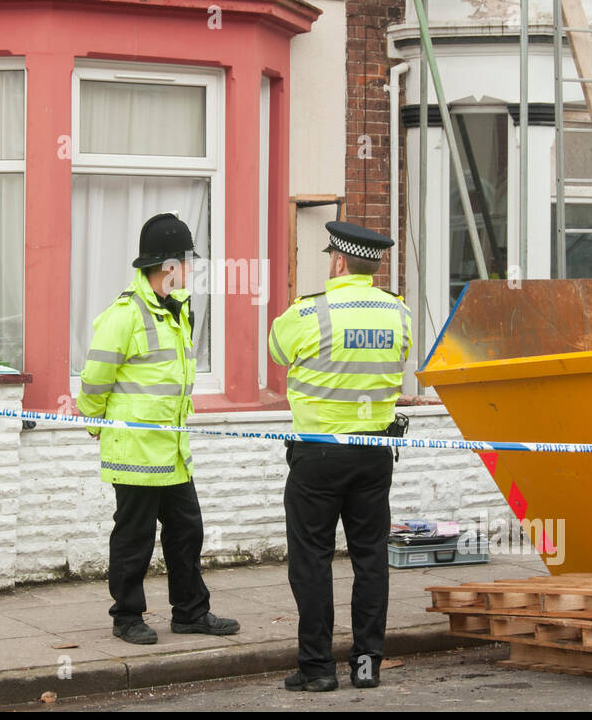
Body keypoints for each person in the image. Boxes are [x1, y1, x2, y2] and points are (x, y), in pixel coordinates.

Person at [76, 213, 240, 645]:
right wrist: (94, 419)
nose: (191, 270)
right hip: (134, 449)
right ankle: (127, 616)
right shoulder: (124, 314)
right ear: (169, 266)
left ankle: (190, 612)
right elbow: (95, 378)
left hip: (171, 449)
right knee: (134, 538)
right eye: (187, 262)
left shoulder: (177, 309)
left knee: (188, 531)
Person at [269, 220, 411, 692]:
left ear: (337, 261)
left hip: (318, 457)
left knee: (312, 560)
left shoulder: (310, 312)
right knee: (370, 558)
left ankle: (317, 669)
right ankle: (367, 665)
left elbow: (275, 349)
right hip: (373, 455)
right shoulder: (398, 313)